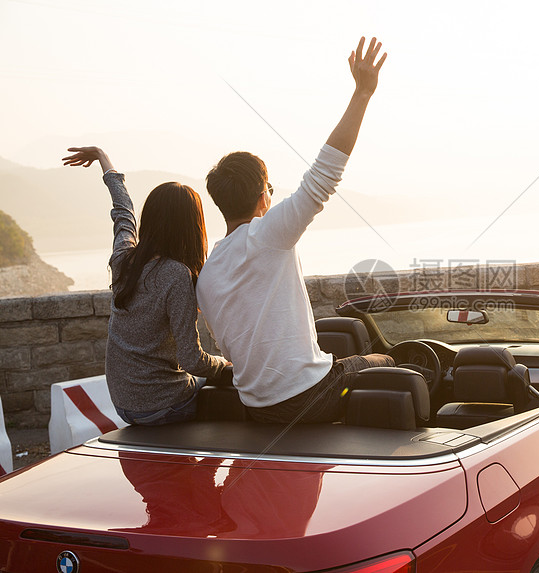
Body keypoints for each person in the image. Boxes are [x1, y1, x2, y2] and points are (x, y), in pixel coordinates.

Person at [196, 37, 394, 424]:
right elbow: (324, 174)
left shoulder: (207, 274)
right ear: (262, 198)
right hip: (311, 397)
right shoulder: (268, 235)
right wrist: (363, 92)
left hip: (257, 409)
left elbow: (234, 347)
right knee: (389, 360)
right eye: (269, 189)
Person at [62, 147, 230, 425]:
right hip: (163, 404)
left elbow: (123, 213)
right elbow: (192, 360)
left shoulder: (123, 259)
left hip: (123, 404)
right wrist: (223, 363)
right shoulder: (177, 275)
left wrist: (104, 159)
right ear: (192, 226)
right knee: (229, 391)